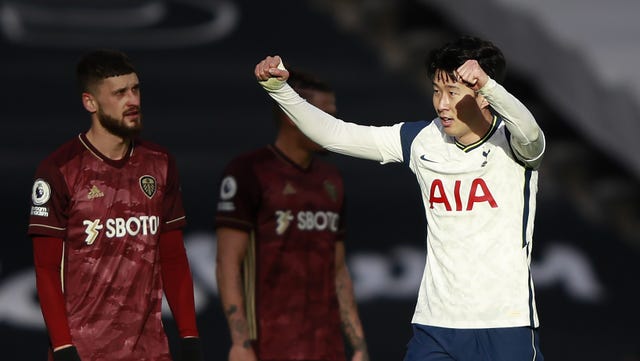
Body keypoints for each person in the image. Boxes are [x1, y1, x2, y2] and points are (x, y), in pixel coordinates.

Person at [254, 36, 545, 361]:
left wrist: (489, 84)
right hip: (436, 325)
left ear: (483, 97)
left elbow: (531, 132)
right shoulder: (421, 139)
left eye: (453, 92)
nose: (442, 104)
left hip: (505, 323)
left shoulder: (515, 144)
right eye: (437, 91)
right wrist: (280, 91)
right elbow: (336, 135)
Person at [27, 49, 203, 361]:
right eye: (120, 93)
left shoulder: (160, 164)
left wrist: (189, 335)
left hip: (152, 351)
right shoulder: (59, 169)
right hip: (85, 351)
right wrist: (64, 346)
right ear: (90, 102)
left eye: (135, 89)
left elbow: (173, 257)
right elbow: (46, 268)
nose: (132, 100)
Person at [215, 69, 369, 361]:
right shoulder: (249, 172)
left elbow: (338, 269)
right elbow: (227, 262)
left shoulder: (332, 179)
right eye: (324, 116)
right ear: (292, 115)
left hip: (327, 347)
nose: (334, 125)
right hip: (269, 345)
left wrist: (359, 344)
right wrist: (240, 342)